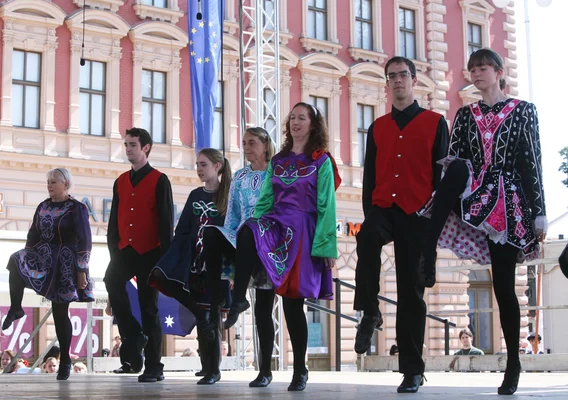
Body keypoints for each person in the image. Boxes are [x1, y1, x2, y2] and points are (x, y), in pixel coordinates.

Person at [419, 49, 547, 396]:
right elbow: (455, 160)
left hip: (508, 203)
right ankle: (427, 248)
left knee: (503, 287)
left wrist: (539, 211)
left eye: (483, 67)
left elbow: (531, 161)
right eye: (472, 68)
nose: (476, 73)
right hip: (473, 193)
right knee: (456, 164)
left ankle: (513, 366)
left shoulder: (523, 111)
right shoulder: (464, 114)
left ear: (498, 72)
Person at [224, 102, 340, 392]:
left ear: (313, 125)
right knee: (249, 233)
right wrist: (255, 229)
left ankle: (300, 370)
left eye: (302, 118)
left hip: (302, 235)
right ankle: (241, 306)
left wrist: (326, 246)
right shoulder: (280, 160)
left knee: (293, 308)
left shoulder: (321, 160)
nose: (296, 122)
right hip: (276, 228)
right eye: (292, 118)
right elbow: (265, 198)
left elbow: (327, 205)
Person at [352, 56, 449, 394]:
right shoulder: (378, 127)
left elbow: (442, 179)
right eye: (391, 76)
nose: (397, 81)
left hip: (419, 213)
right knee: (365, 238)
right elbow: (369, 177)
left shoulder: (436, 123)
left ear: (414, 79)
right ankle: (369, 312)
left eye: (402, 75)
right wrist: (369, 213)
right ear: (387, 83)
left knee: (411, 293)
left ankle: (412, 370)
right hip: (383, 207)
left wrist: (434, 232)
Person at [148, 148, 232, 385]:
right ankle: (206, 365)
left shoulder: (228, 196)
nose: (199, 169)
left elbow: (232, 231)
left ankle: (212, 369)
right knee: (197, 309)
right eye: (197, 164)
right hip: (194, 261)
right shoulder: (196, 195)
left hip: (217, 265)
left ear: (217, 167)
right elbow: (183, 228)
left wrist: (232, 270)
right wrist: (176, 256)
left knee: (212, 316)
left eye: (203, 164)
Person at [2, 168, 93, 380]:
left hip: (66, 263)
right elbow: (33, 234)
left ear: (66, 184)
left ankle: (66, 361)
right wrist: (28, 253)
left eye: (54, 182)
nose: (50, 185)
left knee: (60, 313)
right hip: (43, 257)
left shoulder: (77, 208)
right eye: (48, 182)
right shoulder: (43, 206)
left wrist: (82, 269)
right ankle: (16, 308)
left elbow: (85, 240)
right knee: (16, 260)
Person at [201, 127, 275, 387]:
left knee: (264, 312)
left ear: (265, 145)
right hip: (242, 241)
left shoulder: (276, 173)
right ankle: (218, 300)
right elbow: (232, 216)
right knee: (211, 233)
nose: (246, 147)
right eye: (244, 143)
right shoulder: (241, 177)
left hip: (269, 244)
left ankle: (265, 370)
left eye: (252, 143)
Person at [104, 127, 174, 383]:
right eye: (126, 145)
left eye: (132, 144)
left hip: (150, 252)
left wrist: (165, 263)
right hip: (124, 250)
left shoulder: (160, 179)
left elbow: (167, 224)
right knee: (111, 281)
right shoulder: (120, 181)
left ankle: (154, 366)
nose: (128, 149)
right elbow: (114, 221)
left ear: (145, 148)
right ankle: (134, 336)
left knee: (149, 309)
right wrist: (114, 251)